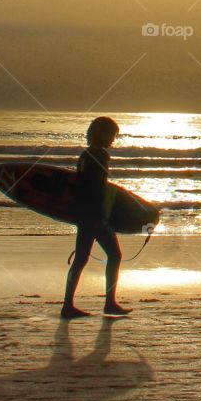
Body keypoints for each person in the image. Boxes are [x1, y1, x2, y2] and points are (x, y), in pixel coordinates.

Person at [61, 115, 131, 319]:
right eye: (112, 135)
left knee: (82, 259)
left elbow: (82, 186)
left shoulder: (85, 155)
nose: (113, 140)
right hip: (93, 215)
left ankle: (69, 305)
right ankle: (108, 303)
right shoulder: (99, 156)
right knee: (113, 255)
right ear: (102, 133)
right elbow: (96, 189)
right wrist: (102, 215)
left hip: (82, 213)